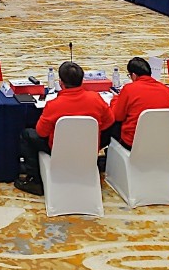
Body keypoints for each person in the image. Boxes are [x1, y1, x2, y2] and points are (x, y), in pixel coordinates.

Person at [15, 61, 111, 196]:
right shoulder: (96, 99)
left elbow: (41, 132)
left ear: (61, 83)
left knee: (27, 134)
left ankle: (35, 181)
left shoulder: (53, 105)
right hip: (88, 148)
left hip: (58, 149)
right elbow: (109, 121)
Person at [109, 57, 169, 148]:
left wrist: (115, 98)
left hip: (132, 142)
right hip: (159, 141)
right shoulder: (166, 90)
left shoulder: (129, 89)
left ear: (134, 75)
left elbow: (117, 116)